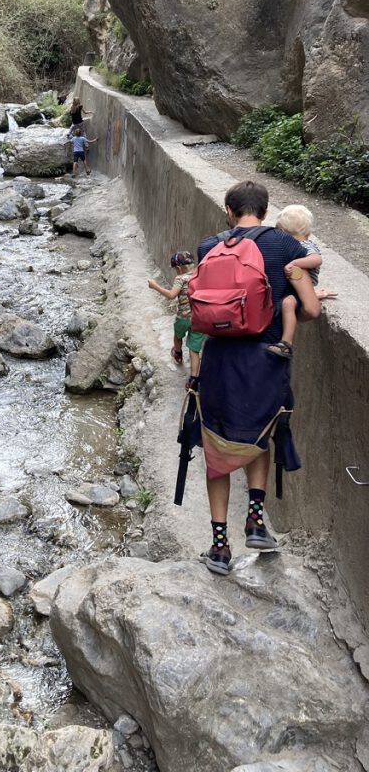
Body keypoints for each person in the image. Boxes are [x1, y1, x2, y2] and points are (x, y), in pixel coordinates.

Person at [196, 181, 321, 576]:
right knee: (259, 435)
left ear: (229, 210)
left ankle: (219, 548)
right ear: (265, 213)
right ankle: (255, 521)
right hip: (266, 360)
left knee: (216, 447)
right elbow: (312, 311)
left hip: (219, 361)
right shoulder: (287, 246)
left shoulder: (208, 246)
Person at [265, 204, 336, 359]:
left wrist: (296, 263)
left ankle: (286, 343)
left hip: (299, 288)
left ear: (282, 231)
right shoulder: (292, 244)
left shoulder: (305, 246)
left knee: (288, 303)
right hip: (294, 287)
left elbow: (316, 259)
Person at [147, 251, 206, 377]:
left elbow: (171, 295)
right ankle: (193, 379)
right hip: (199, 319)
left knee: (178, 337)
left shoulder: (180, 278)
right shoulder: (200, 275)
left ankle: (178, 354)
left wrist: (155, 286)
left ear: (178, 268)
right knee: (194, 350)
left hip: (183, 318)